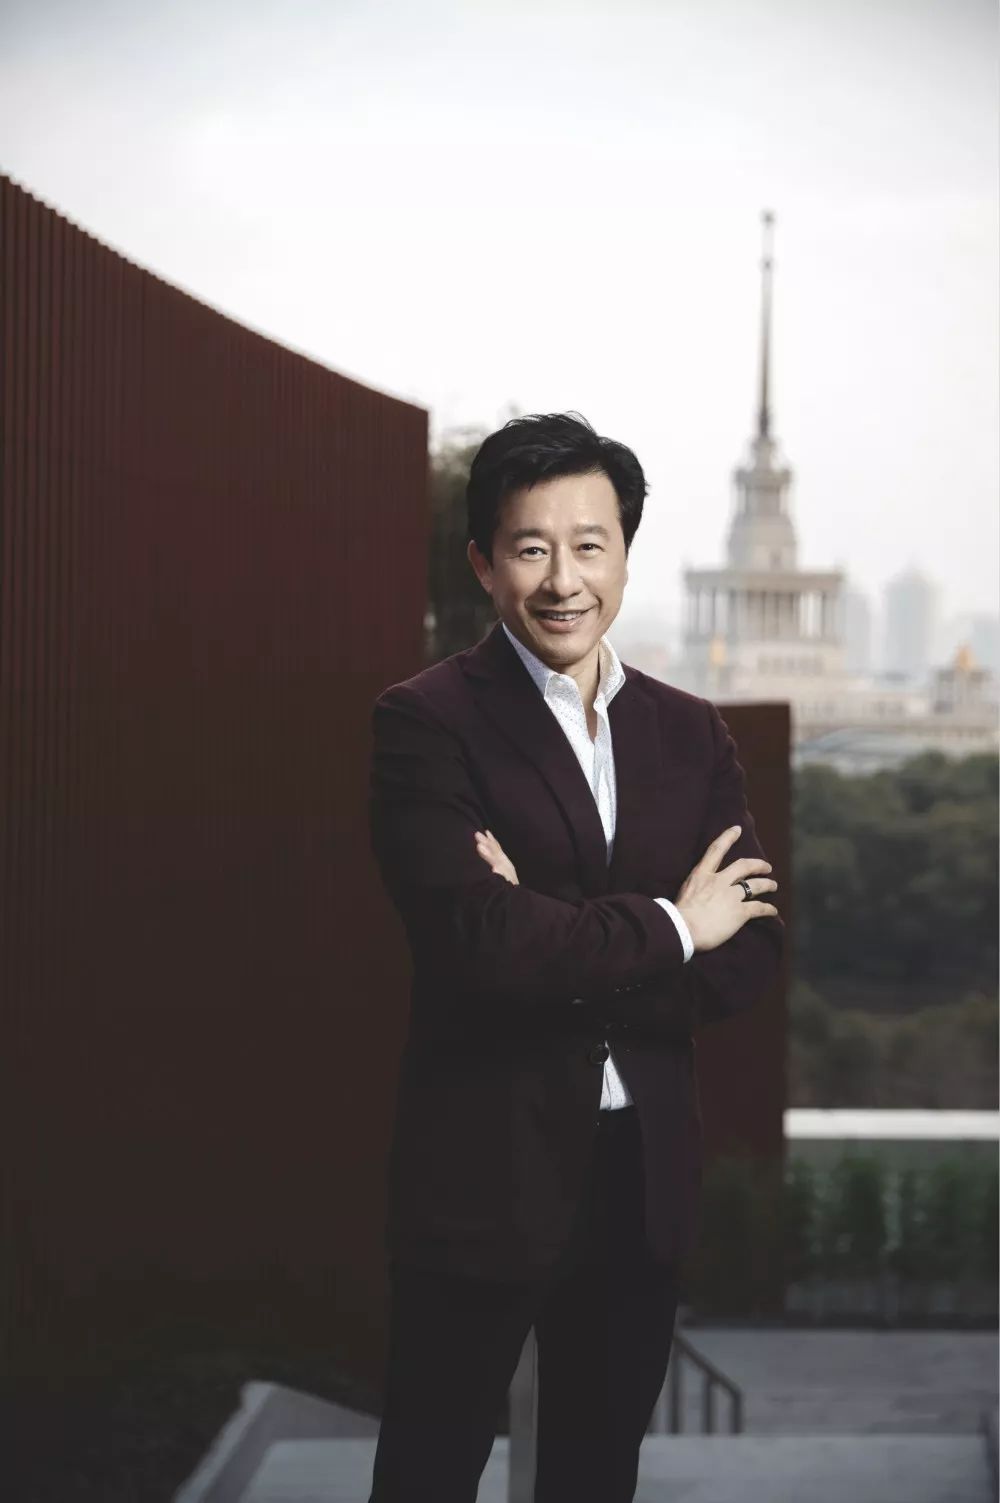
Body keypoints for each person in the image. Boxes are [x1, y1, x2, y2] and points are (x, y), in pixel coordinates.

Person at [366, 411, 783, 1502]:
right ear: (483, 562)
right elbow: (477, 943)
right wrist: (674, 925)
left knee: (596, 1480)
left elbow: (749, 952)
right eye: (531, 547)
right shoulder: (426, 723)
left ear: (625, 555)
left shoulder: (689, 733)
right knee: (426, 1476)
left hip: (637, 1179)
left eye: (590, 545)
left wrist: (552, 934)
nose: (564, 580)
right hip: (481, 1173)